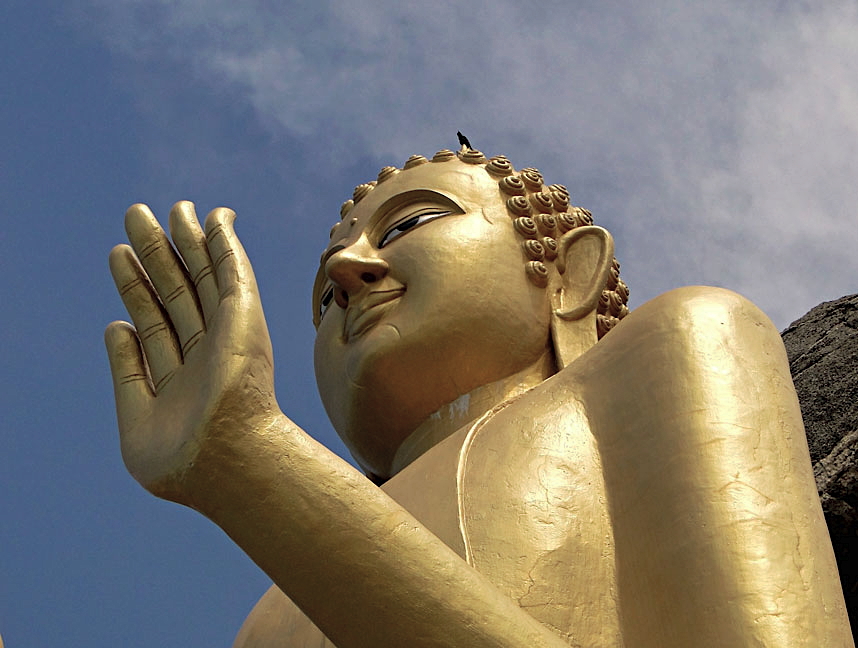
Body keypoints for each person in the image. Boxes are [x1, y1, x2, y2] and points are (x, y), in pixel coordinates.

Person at [106, 147, 852, 647]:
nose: (347, 267)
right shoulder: (270, 613)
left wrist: (254, 463)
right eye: (320, 299)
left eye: (413, 222)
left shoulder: (668, 347)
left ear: (569, 271)